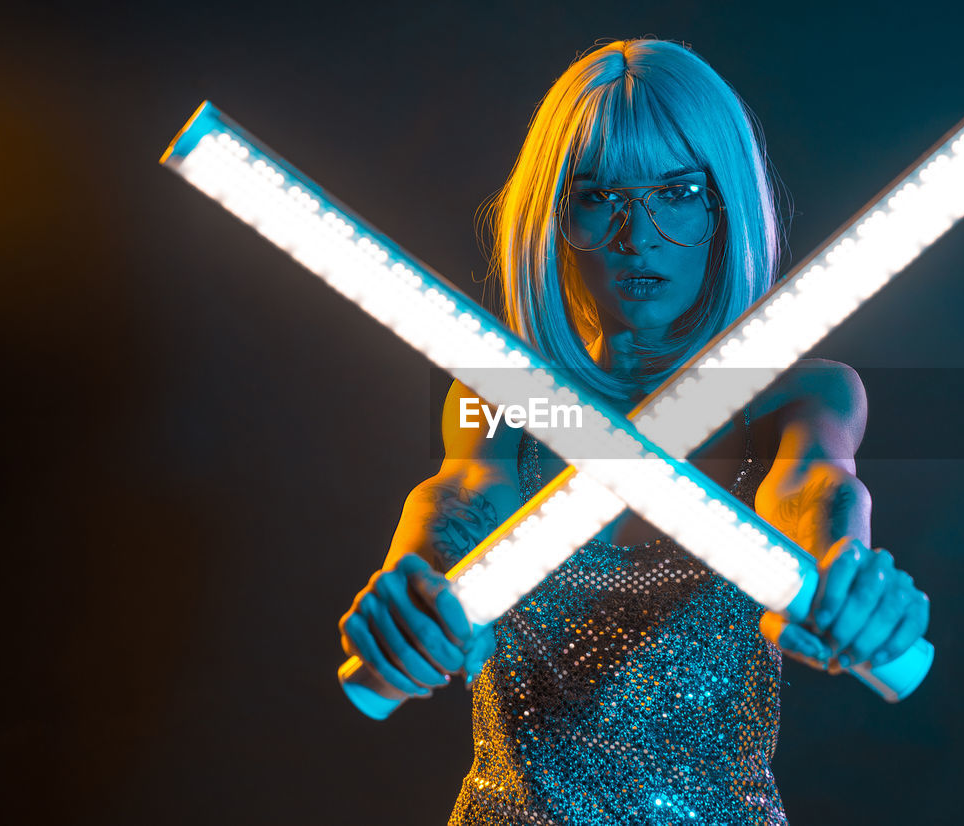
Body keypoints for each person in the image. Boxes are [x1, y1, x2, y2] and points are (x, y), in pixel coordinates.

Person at [339, 39, 930, 825]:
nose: (637, 234)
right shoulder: (501, 396)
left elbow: (817, 485)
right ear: (555, 213)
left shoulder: (797, 394)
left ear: (726, 205)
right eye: (597, 195)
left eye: (678, 191)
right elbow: (457, 498)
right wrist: (413, 602)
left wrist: (842, 575)